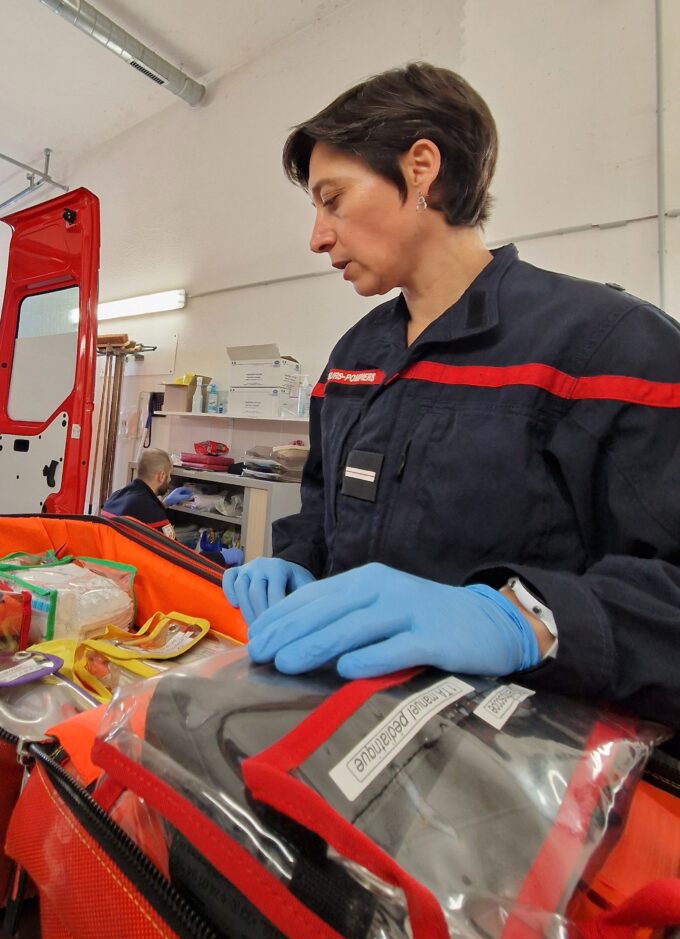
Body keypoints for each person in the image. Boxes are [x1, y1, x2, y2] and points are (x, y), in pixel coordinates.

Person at [222, 62, 680, 726]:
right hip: (346, 730)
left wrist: (527, 619)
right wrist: (292, 563)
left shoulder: (610, 347)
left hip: (522, 772)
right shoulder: (353, 361)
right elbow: (322, 516)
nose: (317, 237)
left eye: (334, 199)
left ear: (420, 170)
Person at [103, 449, 244, 565]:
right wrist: (221, 557)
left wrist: (164, 504)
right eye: (170, 476)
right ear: (161, 476)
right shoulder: (151, 511)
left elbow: (140, 518)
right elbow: (181, 560)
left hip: (111, 568)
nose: (170, 480)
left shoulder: (115, 497)